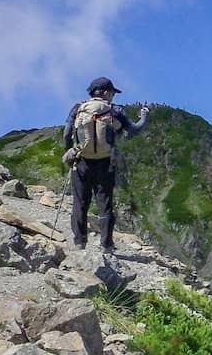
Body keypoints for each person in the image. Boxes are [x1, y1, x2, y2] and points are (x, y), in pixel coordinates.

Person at [61, 77, 150, 251]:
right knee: (105, 204)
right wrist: (144, 116)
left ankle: (80, 242)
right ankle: (106, 244)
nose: (113, 96)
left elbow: (66, 134)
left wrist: (69, 152)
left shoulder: (78, 108)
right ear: (105, 92)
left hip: (81, 162)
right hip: (105, 164)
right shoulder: (115, 111)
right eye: (112, 93)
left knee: (80, 203)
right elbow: (134, 129)